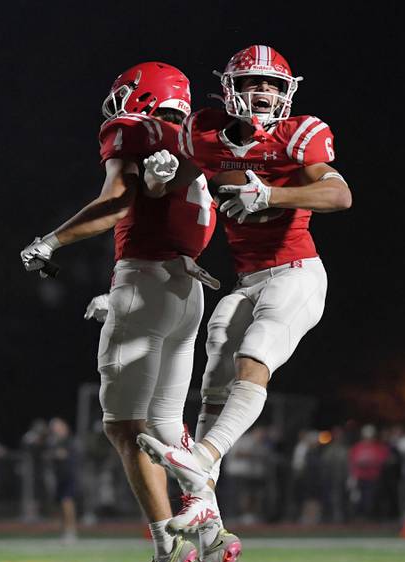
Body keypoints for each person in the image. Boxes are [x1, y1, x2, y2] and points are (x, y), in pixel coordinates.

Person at [19, 61, 227, 562]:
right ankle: (209, 524)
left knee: (122, 428)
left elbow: (119, 204)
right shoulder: (194, 146)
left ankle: (167, 545)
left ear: (141, 96)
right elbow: (168, 215)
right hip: (188, 291)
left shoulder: (131, 129)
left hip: (147, 281)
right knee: (165, 425)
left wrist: (52, 241)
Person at [137, 42, 350, 534]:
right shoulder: (205, 133)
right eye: (253, 82)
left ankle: (204, 455)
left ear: (287, 94)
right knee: (213, 374)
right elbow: (174, 190)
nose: (263, 91)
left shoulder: (300, 135)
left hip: (296, 272)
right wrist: (156, 178)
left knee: (252, 359)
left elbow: (339, 193)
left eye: (273, 84)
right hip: (246, 280)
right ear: (231, 88)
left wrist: (271, 193)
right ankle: (200, 498)